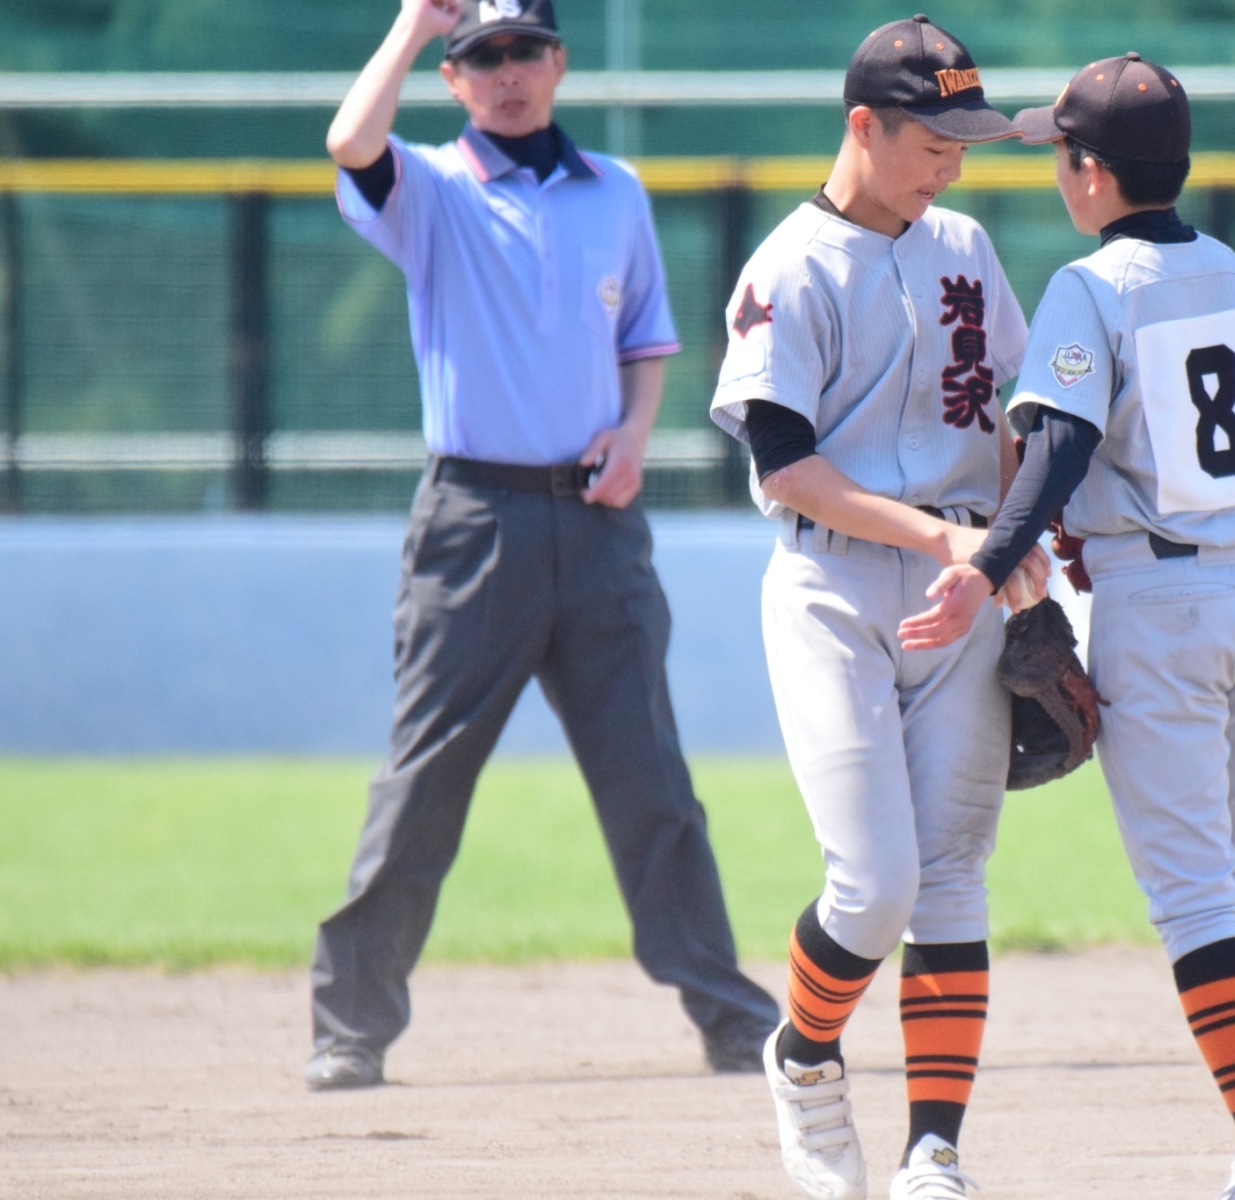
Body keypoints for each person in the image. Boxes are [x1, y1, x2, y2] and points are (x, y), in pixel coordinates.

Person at [898, 53, 1235, 1200]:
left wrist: (987, 569)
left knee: (1193, 900)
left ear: (1093, 173)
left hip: (1165, 607)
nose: (1060, 172)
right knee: (1230, 878)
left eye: (1063, 154)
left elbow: (1055, 448)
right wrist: (1218, 491)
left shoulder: (1092, 286)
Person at [304, 0, 778, 1091]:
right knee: (424, 782)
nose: (506, 73)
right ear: (454, 79)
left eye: (524, 51)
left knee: (652, 782)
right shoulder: (432, 190)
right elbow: (349, 142)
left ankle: (730, 1016)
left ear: (559, 63)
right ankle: (349, 1027)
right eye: (483, 58)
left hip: (601, 524)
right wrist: (413, 25)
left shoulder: (615, 191)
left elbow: (644, 340)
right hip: (474, 521)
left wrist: (636, 432)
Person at [708, 15, 1048, 1200]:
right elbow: (788, 469)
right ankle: (804, 1056)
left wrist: (1020, 544)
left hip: (963, 586)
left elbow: (999, 418)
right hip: (834, 588)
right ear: (865, 125)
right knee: (874, 883)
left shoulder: (964, 246)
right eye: (934, 142)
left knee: (953, 873)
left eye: (964, 144)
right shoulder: (787, 268)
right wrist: (949, 540)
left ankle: (933, 1152)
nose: (951, 164)